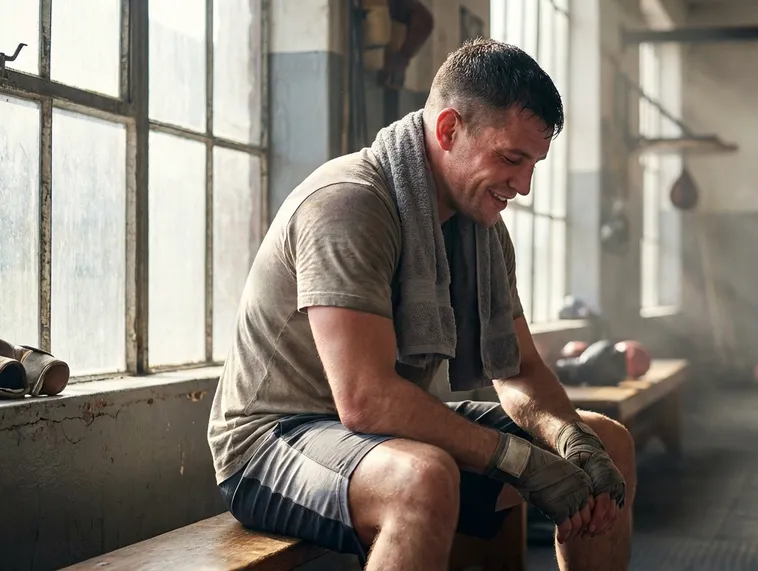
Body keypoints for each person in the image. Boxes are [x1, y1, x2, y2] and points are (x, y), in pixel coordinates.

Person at [207, 38, 636, 571]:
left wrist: (571, 441)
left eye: (534, 165)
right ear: (449, 129)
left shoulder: (481, 226)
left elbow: (521, 370)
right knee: (423, 480)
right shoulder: (349, 203)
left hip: (381, 436)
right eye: (511, 159)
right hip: (270, 442)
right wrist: (521, 461)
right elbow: (364, 400)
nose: (523, 186)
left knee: (607, 442)